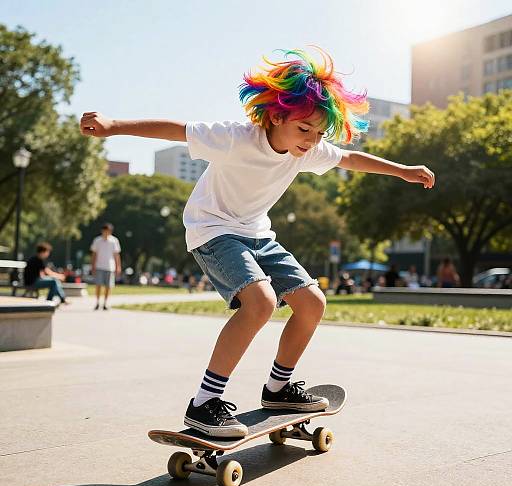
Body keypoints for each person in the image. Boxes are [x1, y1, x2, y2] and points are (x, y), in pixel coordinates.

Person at [80, 47, 435, 438]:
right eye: (304, 130)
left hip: (257, 234)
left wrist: (401, 170)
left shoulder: (308, 150)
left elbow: (350, 160)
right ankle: (203, 403)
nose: (311, 141)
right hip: (213, 230)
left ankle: (278, 389)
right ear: (278, 115)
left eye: (318, 134)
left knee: (312, 303)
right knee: (261, 302)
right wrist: (114, 125)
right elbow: (176, 130)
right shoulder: (236, 138)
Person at [90, 223, 121, 310]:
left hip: (110, 267)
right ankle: (97, 302)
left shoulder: (114, 241)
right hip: (99, 266)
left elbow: (116, 255)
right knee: (98, 285)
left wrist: (118, 266)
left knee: (108, 286)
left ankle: (105, 303)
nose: (106, 233)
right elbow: (94, 254)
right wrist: (92, 266)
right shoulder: (97, 241)